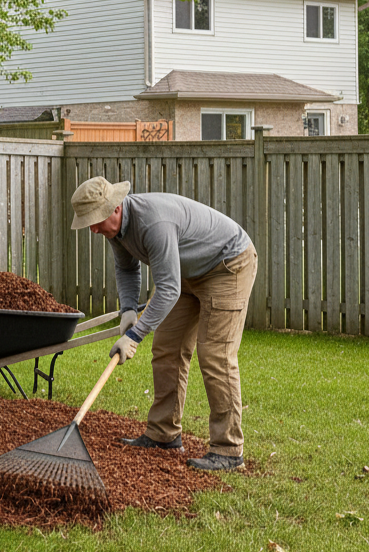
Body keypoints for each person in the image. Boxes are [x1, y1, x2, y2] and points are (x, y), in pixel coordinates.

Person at [70, 176, 257, 471]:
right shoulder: (116, 232)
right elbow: (126, 268)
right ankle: (163, 434)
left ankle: (229, 449)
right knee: (167, 348)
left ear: (115, 208)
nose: (92, 228)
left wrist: (135, 334)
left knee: (216, 356)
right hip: (186, 273)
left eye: (95, 220)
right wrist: (128, 309)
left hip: (227, 265)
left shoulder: (153, 223)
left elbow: (167, 289)